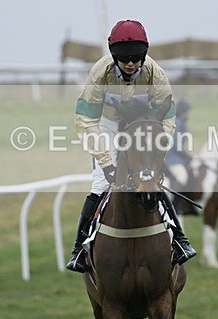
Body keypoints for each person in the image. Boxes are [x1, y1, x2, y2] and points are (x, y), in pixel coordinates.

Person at [66, 19, 197, 273]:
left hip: (141, 122)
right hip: (106, 124)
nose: (130, 64)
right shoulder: (99, 73)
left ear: (144, 56)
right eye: (124, 59)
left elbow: (168, 118)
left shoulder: (155, 73)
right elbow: (86, 120)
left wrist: (157, 155)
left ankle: (180, 240)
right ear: (114, 56)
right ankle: (80, 248)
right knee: (101, 184)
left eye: (136, 58)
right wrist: (106, 163)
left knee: (152, 179)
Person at [164, 99, 194, 192]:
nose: (188, 114)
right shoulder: (179, 123)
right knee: (182, 178)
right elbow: (176, 144)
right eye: (187, 112)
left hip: (175, 157)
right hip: (172, 158)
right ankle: (173, 204)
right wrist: (186, 155)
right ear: (183, 112)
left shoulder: (178, 122)